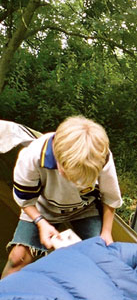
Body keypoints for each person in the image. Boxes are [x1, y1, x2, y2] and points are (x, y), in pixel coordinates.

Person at [1, 115, 122, 278]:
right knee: (17, 258)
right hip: (42, 208)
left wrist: (106, 232)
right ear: (58, 158)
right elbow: (25, 200)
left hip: (84, 209)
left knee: (101, 258)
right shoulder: (33, 156)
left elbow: (110, 197)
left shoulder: (100, 156)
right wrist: (40, 222)